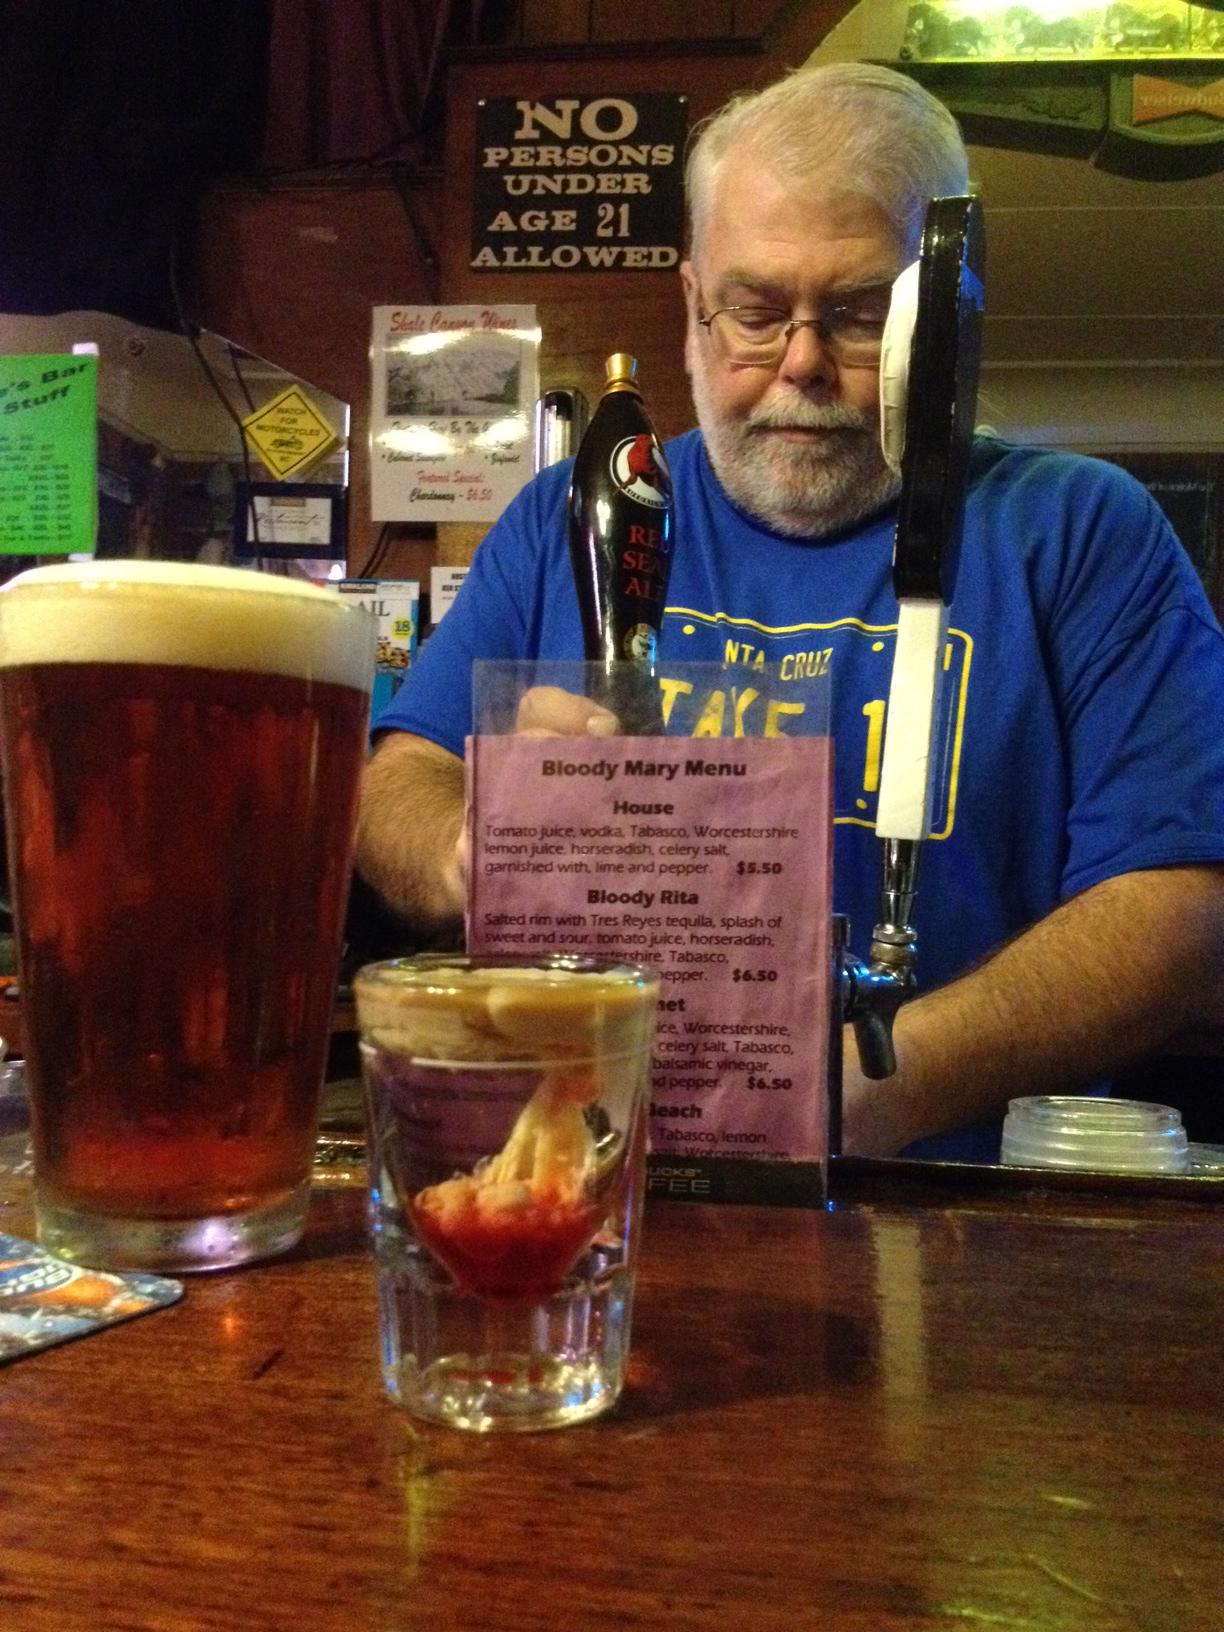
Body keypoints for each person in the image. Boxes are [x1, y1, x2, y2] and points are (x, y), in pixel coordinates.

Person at [355, 61, 1224, 1159]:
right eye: (756, 313)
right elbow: (396, 785)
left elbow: (1185, 907)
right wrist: (471, 847)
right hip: (597, 1178)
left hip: (953, 1210)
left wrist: (855, 1092)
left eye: (858, 316)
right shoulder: (567, 518)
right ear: (692, 303)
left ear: (946, 316)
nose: (801, 364)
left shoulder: (1080, 530)